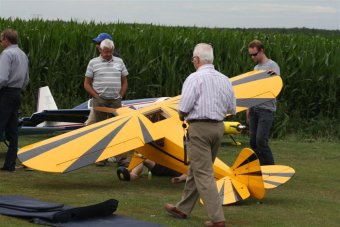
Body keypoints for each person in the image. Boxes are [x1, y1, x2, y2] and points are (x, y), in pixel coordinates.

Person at [164, 43, 236, 227]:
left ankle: (217, 218)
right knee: (196, 169)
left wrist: (181, 115)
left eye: (192, 60)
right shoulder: (225, 79)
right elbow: (232, 109)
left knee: (204, 173)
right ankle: (183, 208)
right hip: (218, 128)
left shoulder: (194, 78)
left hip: (199, 129)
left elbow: (184, 106)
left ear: (196, 60)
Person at [84, 38, 128, 167]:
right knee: (100, 129)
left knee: (119, 129)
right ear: (100, 50)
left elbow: (125, 82)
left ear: (113, 50)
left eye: (110, 52)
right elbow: (86, 83)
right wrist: (96, 96)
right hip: (100, 101)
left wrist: (120, 95)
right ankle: (100, 158)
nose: (108, 54)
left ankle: (122, 158)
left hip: (115, 101)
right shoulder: (93, 63)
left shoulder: (119, 62)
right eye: (105, 52)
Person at [247, 40, 280, 165]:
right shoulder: (256, 68)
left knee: (261, 141)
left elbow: (276, 86)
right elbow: (253, 89)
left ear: (261, 51)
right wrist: (248, 108)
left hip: (266, 110)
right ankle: (261, 166)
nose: (252, 57)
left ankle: (271, 168)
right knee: (253, 141)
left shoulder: (272, 66)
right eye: (250, 55)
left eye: (254, 54)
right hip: (254, 109)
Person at [0, 29, 29, 172]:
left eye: (1, 40)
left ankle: (9, 165)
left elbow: (2, 78)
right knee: (12, 131)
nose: (1, 43)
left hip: (5, 93)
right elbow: (26, 79)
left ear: (6, 40)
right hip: (17, 93)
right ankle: (10, 164)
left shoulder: (6, 54)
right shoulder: (23, 54)